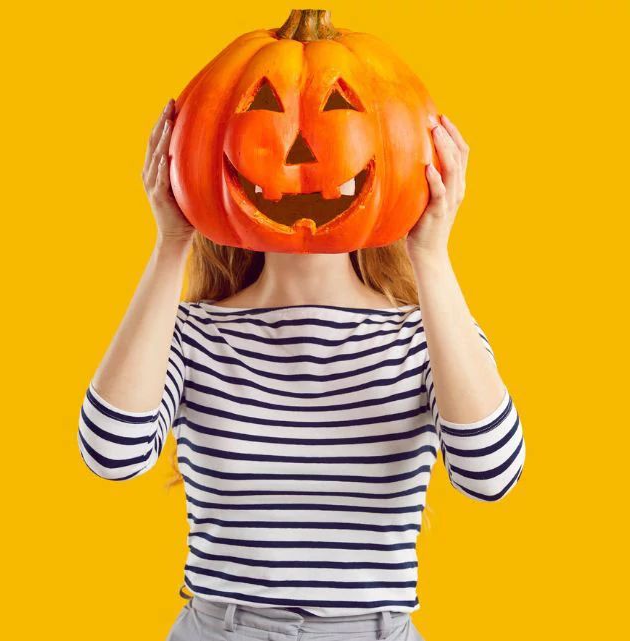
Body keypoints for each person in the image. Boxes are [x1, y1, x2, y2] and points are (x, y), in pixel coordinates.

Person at [77, 98, 526, 641]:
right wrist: (173, 242)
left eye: (338, 113)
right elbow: (111, 454)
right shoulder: (188, 334)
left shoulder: (425, 335)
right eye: (265, 110)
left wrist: (429, 254)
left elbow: (491, 475)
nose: (301, 155)